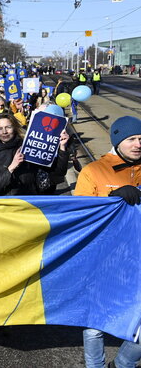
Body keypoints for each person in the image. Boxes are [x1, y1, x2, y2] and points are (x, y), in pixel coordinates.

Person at [74, 116, 141, 368]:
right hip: (103, 259)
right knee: (95, 325)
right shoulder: (94, 171)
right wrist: (110, 200)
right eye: (132, 139)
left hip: (138, 260)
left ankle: (123, 364)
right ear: (117, 140)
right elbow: (81, 217)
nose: (138, 144)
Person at [0, 112, 69, 196]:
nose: (4, 132)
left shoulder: (28, 146)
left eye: (8, 127)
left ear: (14, 128)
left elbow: (59, 172)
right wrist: (11, 167)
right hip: (7, 205)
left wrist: (62, 147)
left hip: (30, 201)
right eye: (0, 129)